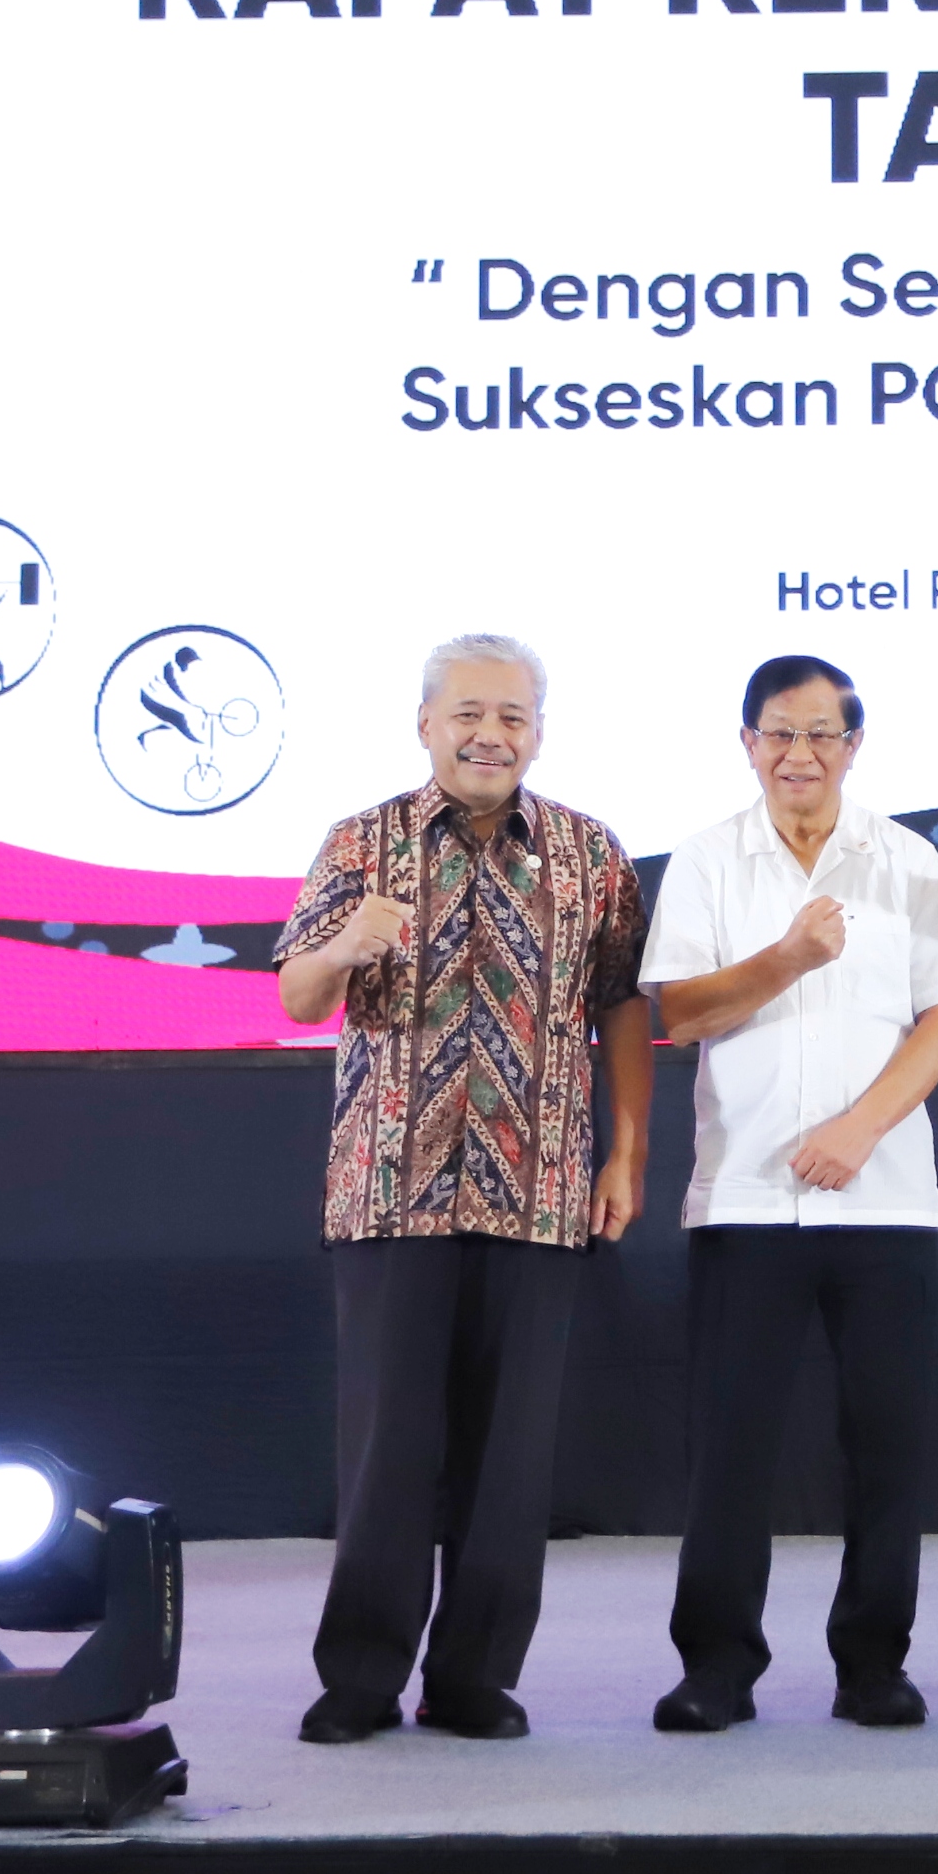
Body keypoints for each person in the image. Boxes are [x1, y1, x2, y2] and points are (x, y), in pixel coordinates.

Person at [272, 634, 651, 1745]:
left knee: (509, 1456)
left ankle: (474, 1676)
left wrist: (626, 1153)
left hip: (538, 1189)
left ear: (538, 731)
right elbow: (298, 997)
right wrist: (344, 945)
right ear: (426, 725)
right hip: (390, 1190)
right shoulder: (363, 841)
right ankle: (361, 1676)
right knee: (389, 1451)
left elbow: (623, 1005)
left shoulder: (590, 852)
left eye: (513, 717)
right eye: (470, 714)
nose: (491, 735)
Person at [640, 654, 938, 1733]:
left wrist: (859, 1128)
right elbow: (681, 1013)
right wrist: (788, 957)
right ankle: (716, 1667)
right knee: (730, 1447)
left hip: (884, 1198)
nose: (800, 754)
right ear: (747, 743)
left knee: (885, 1444)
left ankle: (873, 1664)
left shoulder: (906, 859)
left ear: (854, 745)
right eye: (779, 733)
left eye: (821, 734)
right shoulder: (707, 859)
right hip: (746, 1197)